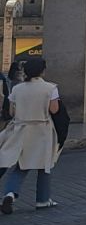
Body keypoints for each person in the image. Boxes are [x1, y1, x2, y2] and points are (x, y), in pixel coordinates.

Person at [0, 60, 59, 212]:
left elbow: (12, 112)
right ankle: (43, 199)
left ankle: (10, 193)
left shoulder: (17, 89)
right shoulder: (50, 88)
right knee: (44, 165)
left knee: (21, 165)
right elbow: (54, 109)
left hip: (20, 128)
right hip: (42, 129)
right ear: (42, 71)